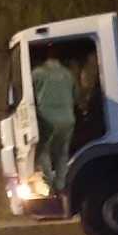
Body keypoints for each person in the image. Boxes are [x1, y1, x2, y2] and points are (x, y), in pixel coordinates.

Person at [32, 45, 78, 194]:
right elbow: (76, 96)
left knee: (43, 151)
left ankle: (50, 185)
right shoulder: (68, 74)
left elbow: (28, 98)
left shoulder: (37, 74)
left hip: (47, 120)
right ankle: (61, 185)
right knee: (62, 154)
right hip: (68, 119)